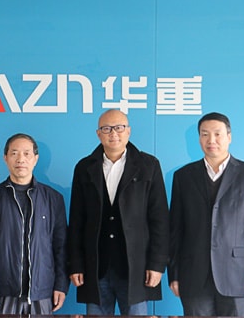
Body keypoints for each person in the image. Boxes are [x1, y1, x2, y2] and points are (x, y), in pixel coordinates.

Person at [67, 109, 169, 315]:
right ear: (98, 134)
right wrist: (75, 264)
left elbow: (159, 219)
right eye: (106, 129)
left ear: (128, 131)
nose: (113, 133)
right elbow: (77, 220)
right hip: (96, 267)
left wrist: (157, 264)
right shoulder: (84, 167)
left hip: (136, 267)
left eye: (119, 128)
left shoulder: (149, 165)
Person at [168, 112, 244, 317]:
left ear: (229, 137)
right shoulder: (183, 176)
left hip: (237, 275)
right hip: (194, 275)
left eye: (217, 134)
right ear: (199, 138)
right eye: (205, 134)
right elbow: (176, 230)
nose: (211, 140)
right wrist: (174, 274)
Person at [0, 133, 68, 314]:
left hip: (43, 293)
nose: (20, 159)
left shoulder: (53, 199)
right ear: (5, 158)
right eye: (14, 153)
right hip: (1, 293)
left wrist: (61, 285)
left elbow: (61, 247)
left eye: (26, 153)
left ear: (35, 159)